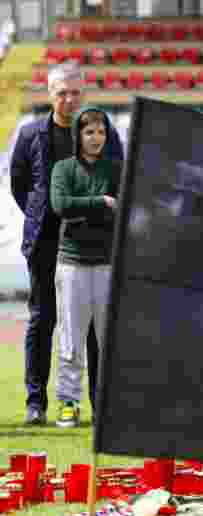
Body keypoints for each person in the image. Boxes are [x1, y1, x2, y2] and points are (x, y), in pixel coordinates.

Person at [10, 63, 122, 426]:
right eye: (62, 92)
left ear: (84, 94)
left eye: (75, 92)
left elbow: (118, 179)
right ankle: (35, 402)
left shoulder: (104, 133)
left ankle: (99, 402)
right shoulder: (30, 135)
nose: (69, 99)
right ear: (49, 94)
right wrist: (42, 215)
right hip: (44, 241)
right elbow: (20, 183)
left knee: (95, 326)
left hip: (94, 243)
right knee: (43, 319)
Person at [49, 108, 121, 427]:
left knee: (111, 340)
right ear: (78, 135)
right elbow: (61, 205)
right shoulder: (63, 169)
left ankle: (110, 405)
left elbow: (123, 209)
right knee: (70, 338)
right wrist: (101, 203)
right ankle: (69, 402)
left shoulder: (117, 169)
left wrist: (86, 208)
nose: (96, 138)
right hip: (72, 265)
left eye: (101, 132)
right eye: (89, 132)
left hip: (108, 265)